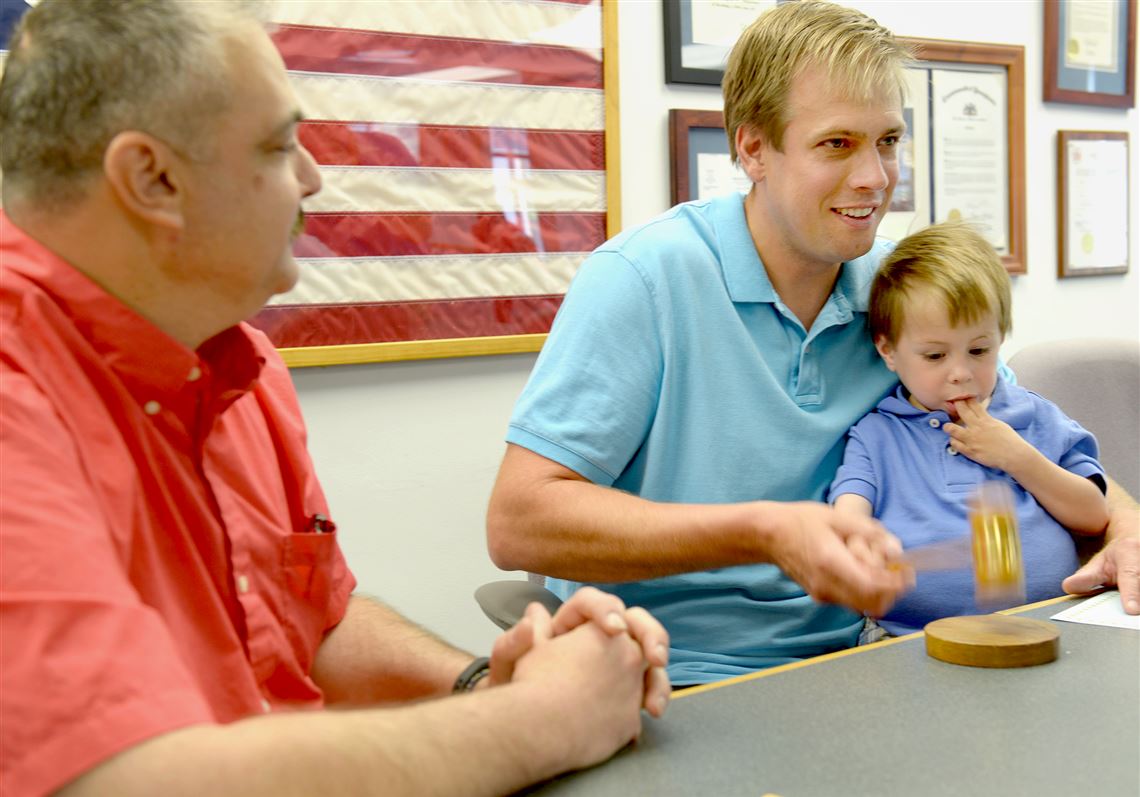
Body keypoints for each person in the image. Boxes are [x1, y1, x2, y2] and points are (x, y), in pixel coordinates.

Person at [0, 3, 670, 796]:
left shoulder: (240, 364)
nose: (314, 177)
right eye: (279, 146)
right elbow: (125, 776)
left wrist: (485, 684)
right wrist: (547, 716)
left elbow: (312, 627)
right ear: (153, 179)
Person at [486, 0, 1139, 686]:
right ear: (753, 150)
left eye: (887, 140)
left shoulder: (900, 288)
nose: (875, 176)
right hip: (675, 675)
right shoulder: (643, 280)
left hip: (872, 660)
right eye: (837, 144)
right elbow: (517, 523)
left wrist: (1124, 528)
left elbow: (1028, 431)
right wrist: (762, 532)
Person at [829, 222, 1110, 637]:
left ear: (1000, 338)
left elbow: (1093, 516)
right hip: (905, 636)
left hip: (1046, 628)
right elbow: (849, 513)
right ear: (888, 351)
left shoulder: (1035, 416)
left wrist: (1018, 458)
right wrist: (857, 545)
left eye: (979, 350)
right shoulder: (876, 435)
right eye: (935, 355)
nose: (960, 373)